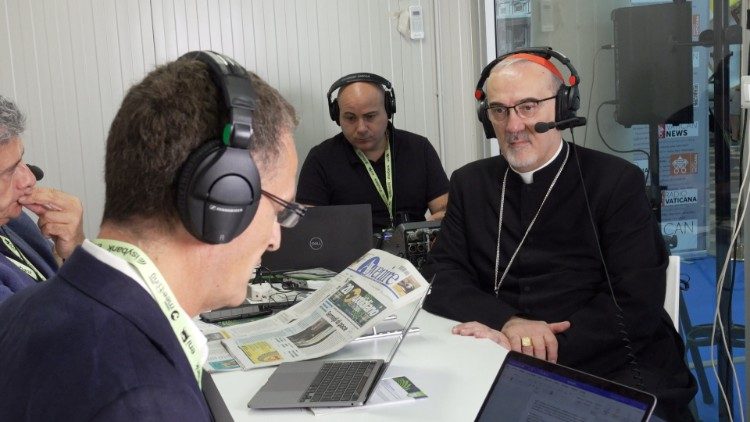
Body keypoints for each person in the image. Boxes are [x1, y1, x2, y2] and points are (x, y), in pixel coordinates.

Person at [0, 51, 302, 420]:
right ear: (220, 198)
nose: (275, 239)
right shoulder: (145, 402)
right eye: (276, 210)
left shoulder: (24, 311)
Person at [422, 47, 696, 421]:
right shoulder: (470, 183)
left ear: (562, 109)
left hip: (606, 361)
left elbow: (635, 301)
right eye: (499, 110)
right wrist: (508, 323)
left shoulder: (616, 182)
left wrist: (536, 348)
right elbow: (441, 274)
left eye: (529, 106)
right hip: (500, 355)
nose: (513, 125)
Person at [296, 73, 449, 233]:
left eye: (370, 116)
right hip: (352, 255)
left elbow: (445, 210)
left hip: (412, 254)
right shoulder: (320, 159)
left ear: (388, 111)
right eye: (350, 118)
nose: (361, 128)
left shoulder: (418, 149)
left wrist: (427, 228)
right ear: (337, 116)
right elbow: (309, 229)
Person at [0, 95, 84, 303]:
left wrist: (73, 251)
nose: (29, 178)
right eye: (9, 171)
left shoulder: (13, 220)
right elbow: (53, 332)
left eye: (21, 160)